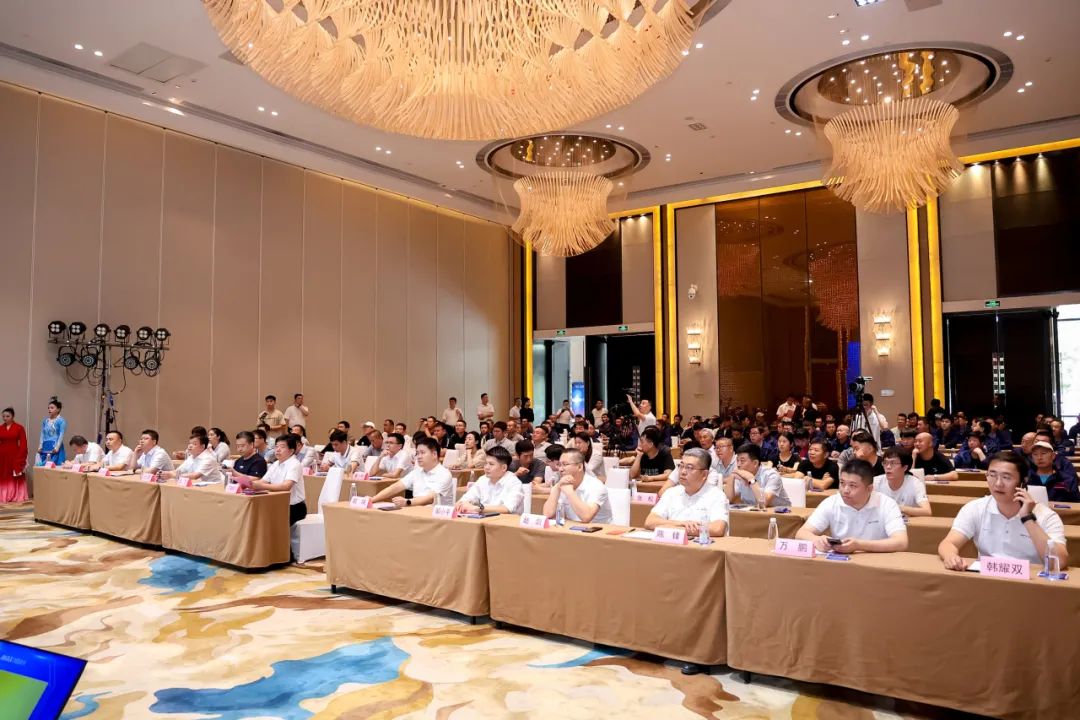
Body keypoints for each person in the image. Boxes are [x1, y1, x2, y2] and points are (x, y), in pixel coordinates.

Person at [939, 451, 1068, 570]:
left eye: (1006, 477)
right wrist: (951, 556)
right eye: (992, 475)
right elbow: (949, 543)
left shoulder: (1046, 515)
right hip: (988, 579)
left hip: (1030, 581)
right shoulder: (975, 508)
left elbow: (1060, 562)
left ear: (1023, 481)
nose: (998, 484)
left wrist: (1028, 518)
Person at [796, 459, 908, 553]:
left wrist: (859, 545)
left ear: (869, 488)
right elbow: (801, 533)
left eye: (853, 486)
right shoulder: (832, 502)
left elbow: (901, 542)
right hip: (840, 563)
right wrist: (817, 540)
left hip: (876, 563)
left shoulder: (887, 504)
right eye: (842, 483)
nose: (845, 490)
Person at [646, 448, 729, 537]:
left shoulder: (716, 495)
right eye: (681, 466)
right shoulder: (671, 493)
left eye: (689, 468)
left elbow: (717, 529)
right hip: (671, 543)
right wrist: (681, 524)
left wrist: (672, 528)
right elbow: (650, 521)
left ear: (704, 474)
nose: (683, 472)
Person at [236, 434, 307, 527]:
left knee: (267, 524)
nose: (278, 450)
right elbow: (263, 481)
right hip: (276, 503)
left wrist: (260, 486)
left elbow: (286, 486)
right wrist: (248, 484)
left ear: (291, 451)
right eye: (276, 446)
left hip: (293, 507)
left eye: (282, 447)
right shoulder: (276, 464)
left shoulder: (294, 464)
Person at [371, 437, 454, 507]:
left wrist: (408, 502)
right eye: (417, 453)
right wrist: (373, 499)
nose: (419, 457)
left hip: (437, 515)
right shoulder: (417, 472)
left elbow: (430, 499)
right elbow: (396, 487)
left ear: (434, 454)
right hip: (416, 510)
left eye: (422, 453)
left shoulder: (444, 474)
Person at [542, 448, 612, 523]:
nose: (560, 469)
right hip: (572, 527)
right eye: (559, 465)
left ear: (579, 467)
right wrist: (557, 487)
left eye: (565, 464)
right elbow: (547, 514)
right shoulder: (563, 483)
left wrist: (569, 491)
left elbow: (586, 517)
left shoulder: (596, 486)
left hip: (598, 528)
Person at [456, 447, 524, 515]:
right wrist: (462, 503)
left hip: (507, 520)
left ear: (503, 468)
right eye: (486, 463)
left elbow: (507, 509)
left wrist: (478, 508)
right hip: (484, 519)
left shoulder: (514, 483)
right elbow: (464, 500)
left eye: (491, 464)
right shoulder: (483, 479)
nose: (486, 467)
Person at [724, 443, 790, 508]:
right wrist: (731, 477)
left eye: (742, 461)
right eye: (737, 460)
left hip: (781, 512)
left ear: (755, 463)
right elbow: (728, 500)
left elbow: (763, 502)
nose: (738, 465)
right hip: (753, 512)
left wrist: (751, 479)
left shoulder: (771, 475)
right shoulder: (740, 475)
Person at [874, 447, 931, 517]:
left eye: (893, 463)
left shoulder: (915, 483)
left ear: (905, 467)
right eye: (885, 463)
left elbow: (927, 511)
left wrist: (897, 507)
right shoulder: (876, 482)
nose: (888, 467)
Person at [0, 407, 29, 502]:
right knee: (3, 475)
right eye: (3, 416)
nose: (5, 418)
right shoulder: (0, 428)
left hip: (15, 455)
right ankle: (3, 495)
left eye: (7, 416)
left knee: (15, 475)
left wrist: (21, 457)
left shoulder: (19, 428)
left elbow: (23, 444)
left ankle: (17, 495)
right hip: (2, 455)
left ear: (13, 416)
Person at [36, 397, 66, 466]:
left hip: (55, 447)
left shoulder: (61, 421)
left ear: (58, 409)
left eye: (52, 408)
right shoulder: (45, 421)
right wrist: (40, 446)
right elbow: (42, 434)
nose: (49, 409)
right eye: (48, 408)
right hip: (45, 446)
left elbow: (61, 435)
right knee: (44, 466)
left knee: (55, 465)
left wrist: (57, 447)